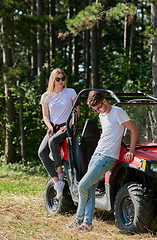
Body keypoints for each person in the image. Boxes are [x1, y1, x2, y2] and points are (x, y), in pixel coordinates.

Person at [67, 90, 139, 231]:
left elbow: (134, 130)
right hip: (97, 154)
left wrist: (131, 151)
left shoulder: (118, 112)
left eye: (99, 107)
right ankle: (87, 224)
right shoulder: (102, 115)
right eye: (95, 110)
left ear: (105, 101)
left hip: (107, 157)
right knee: (90, 188)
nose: (98, 111)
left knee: (82, 186)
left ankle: (78, 218)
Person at [38, 68, 78, 200]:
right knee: (42, 152)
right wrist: (49, 127)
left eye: (63, 79)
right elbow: (45, 115)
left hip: (67, 128)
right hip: (54, 128)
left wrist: (70, 125)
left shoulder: (71, 92)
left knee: (52, 141)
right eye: (58, 79)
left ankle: (60, 173)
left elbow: (77, 113)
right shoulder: (46, 96)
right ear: (53, 80)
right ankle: (57, 181)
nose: (61, 81)